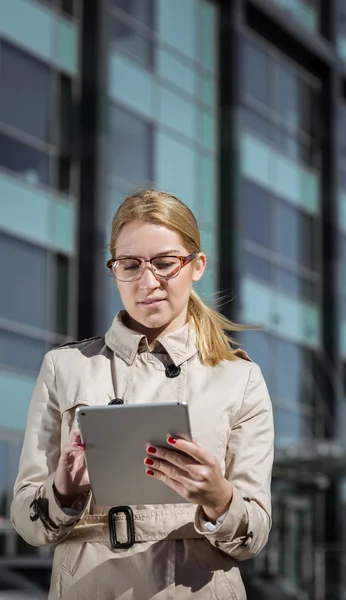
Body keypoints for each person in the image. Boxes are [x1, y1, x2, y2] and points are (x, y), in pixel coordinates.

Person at [11, 189, 274, 600]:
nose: (147, 282)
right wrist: (62, 491)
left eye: (165, 263)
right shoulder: (65, 367)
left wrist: (219, 498)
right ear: (113, 270)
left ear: (197, 265)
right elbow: (27, 523)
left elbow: (254, 535)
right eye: (129, 265)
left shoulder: (239, 378)